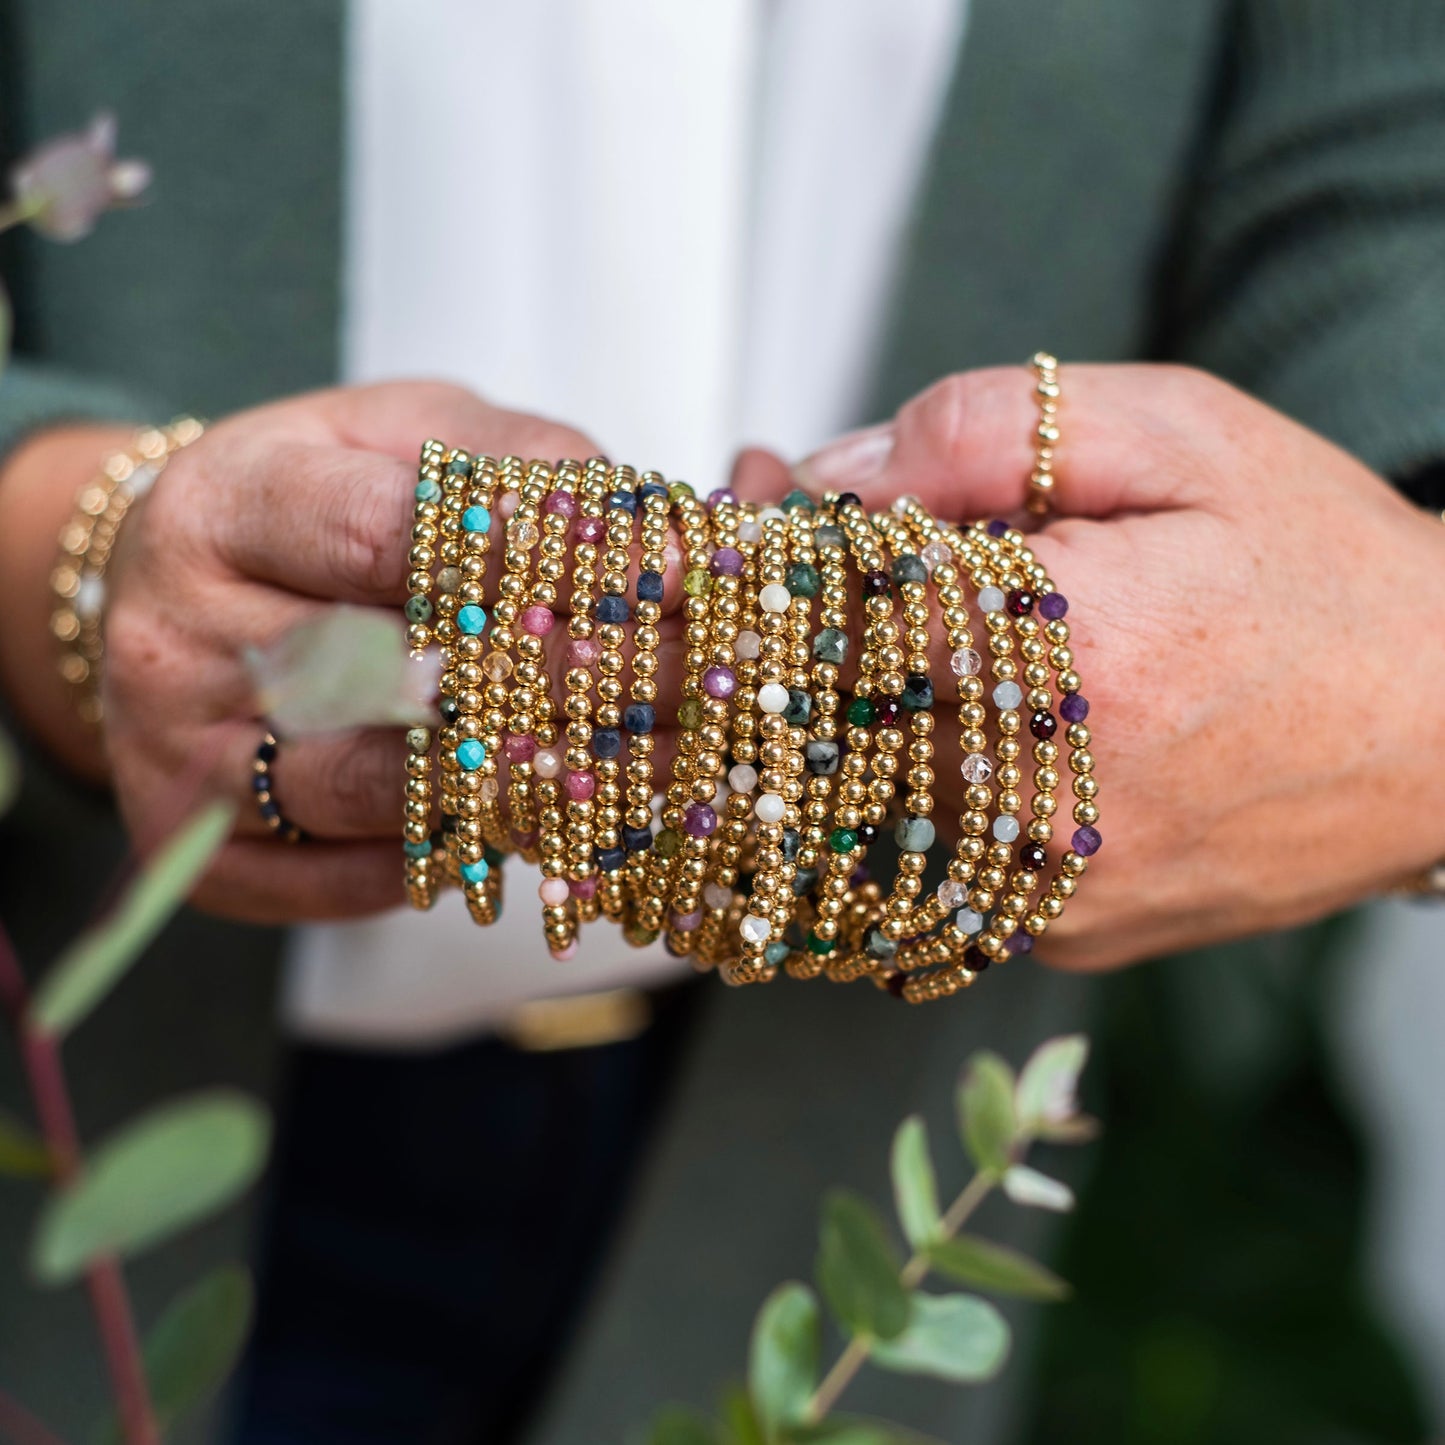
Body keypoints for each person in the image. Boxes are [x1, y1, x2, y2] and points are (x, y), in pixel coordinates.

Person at [0, 3, 1442, 1442]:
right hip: (102, 1097)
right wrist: (69, 552)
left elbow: (1387, 176)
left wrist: (1401, 663)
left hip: (842, 1130)